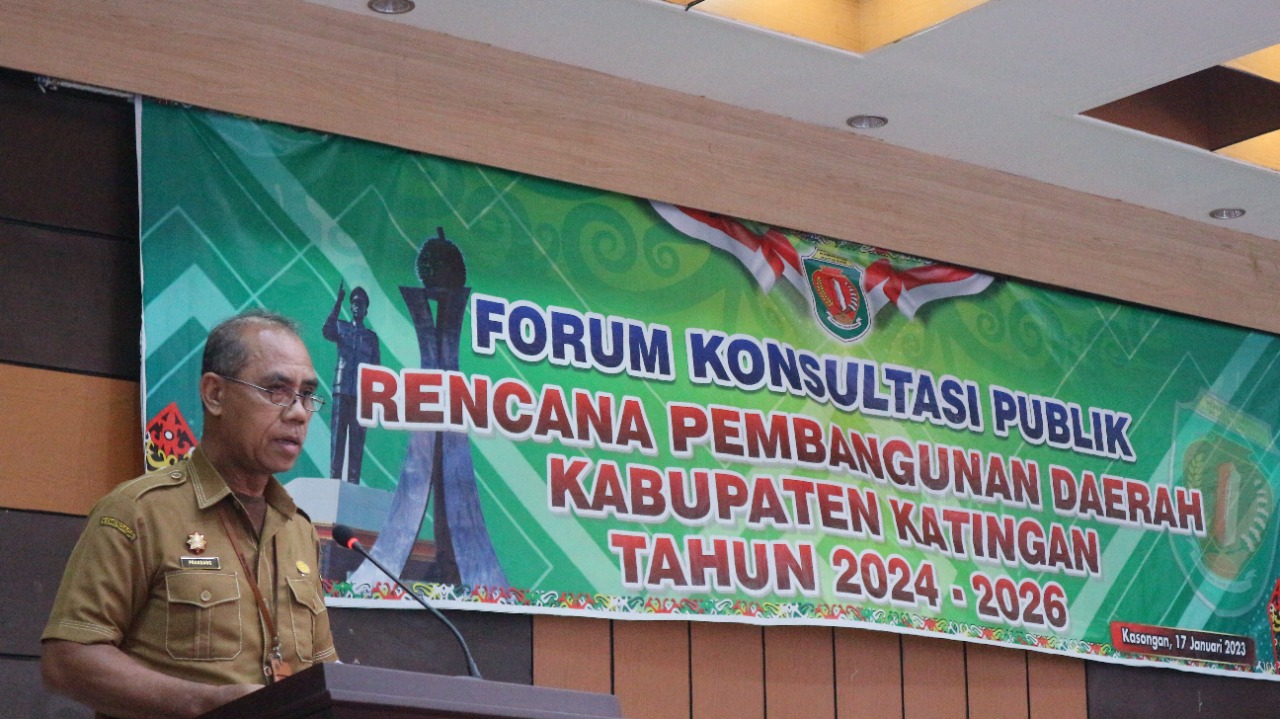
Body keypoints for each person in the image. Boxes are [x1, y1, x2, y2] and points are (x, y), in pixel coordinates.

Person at [41, 309, 338, 719]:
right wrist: (202, 704)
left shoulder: (299, 530)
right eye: (276, 390)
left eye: (306, 394)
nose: (299, 412)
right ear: (214, 394)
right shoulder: (140, 512)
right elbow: (67, 660)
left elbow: (326, 674)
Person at [322, 283, 379, 483]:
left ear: (366, 310)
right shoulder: (341, 327)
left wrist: (373, 399)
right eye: (354, 303)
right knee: (337, 438)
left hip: (361, 395)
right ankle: (334, 479)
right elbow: (326, 330)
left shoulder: (371, 337)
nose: (357, 307)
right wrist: (338, 302)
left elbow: (376, 369)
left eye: (361, 304)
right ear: (350, 306)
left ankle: (353, 482)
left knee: (356, 441)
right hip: (342, 388)